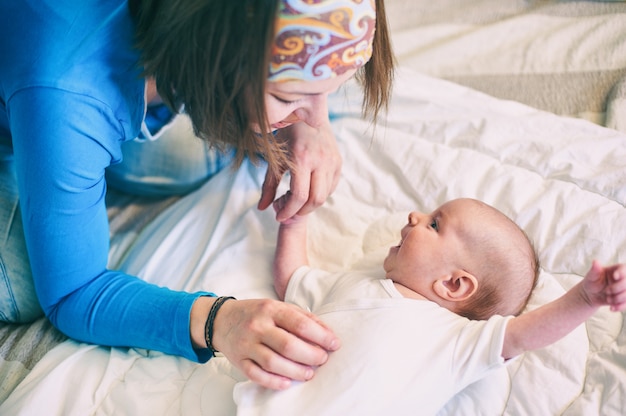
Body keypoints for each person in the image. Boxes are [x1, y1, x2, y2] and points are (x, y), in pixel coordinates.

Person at [0, 0, 394, 391]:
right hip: (47, 90)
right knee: (25, 290)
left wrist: (309, 126)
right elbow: (72, 293)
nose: (313, 114)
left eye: (329, 90)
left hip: (59, 87)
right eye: (290, 98)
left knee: (188, 162)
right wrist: (216, 320)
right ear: (210, 53)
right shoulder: (66, 90)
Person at [260, 197, 626, 413]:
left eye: (434, 224)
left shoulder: (454, 340)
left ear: (454, 284)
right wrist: (294, 221)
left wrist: (584, 299)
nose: (413, 217)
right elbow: (292, 278)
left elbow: (524, 335)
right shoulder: (353, 283)